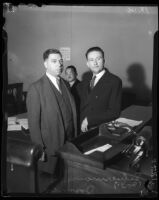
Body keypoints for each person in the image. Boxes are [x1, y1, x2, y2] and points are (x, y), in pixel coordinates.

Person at [26, 49, 77, 175]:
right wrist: (39, 149)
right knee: (51, 183)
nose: (59, 64)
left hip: (69, 143)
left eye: (60, 61)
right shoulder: (36, 88)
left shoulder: (65, 83)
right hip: (51, 147)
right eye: (54, 61)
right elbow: (33, 124)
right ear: (45, 64)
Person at [80, 46, 122, 133]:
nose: (95, 63)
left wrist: (89, 119)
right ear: (87, 63)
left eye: (98, 59)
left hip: (101, 129)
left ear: (104, 60)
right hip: (82, 128)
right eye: (91, 60)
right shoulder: (86, 79)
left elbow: (114, 112)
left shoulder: (114, 81)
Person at [65, 65, 81, 135]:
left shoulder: (81, 86)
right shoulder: (64, 86)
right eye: (67, 73)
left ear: (76, 74)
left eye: (71, 73)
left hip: (78, 116)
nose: (69, 75)